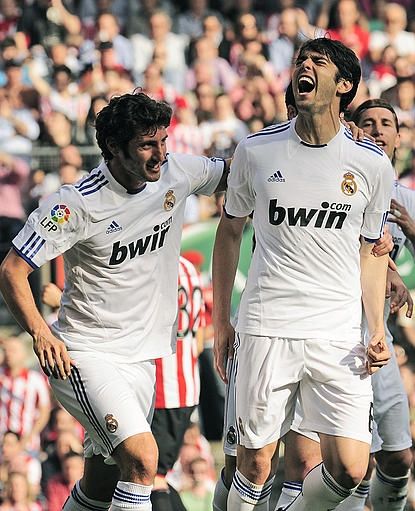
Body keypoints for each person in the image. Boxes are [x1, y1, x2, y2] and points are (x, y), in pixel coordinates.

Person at [0, 91, 229, 511]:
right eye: (146, 145)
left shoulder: (176, 172)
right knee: (142, 459)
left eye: (163, 140)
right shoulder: (75, 204)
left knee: (101, 487)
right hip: (86, 354)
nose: (160, 154)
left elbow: (238, 172)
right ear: (113, 148)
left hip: (142, 360)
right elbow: (12, 270)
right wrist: (40, 333)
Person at [212, 37, 394, 511]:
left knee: (350, 469)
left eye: (318, 62)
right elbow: (229, 231)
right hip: (267, 325)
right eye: (300, 61)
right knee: (253, 464)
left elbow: (371, 252)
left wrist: (376, 327)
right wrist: (221, 321)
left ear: (344, 84)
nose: (303, 68)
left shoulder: (372, 164)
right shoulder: (257, 150)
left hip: (338, 333)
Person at [276, 99, 415, 511]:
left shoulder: (406, 200)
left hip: (377, 340)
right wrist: (388, 268)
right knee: (346, 462)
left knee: (398, 456)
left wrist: (411, 230)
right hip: (330, 338)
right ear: (352, 130)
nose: (377, 129)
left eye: (386, 123)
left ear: (399, 137)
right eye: (367, 122)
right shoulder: (339, 183)